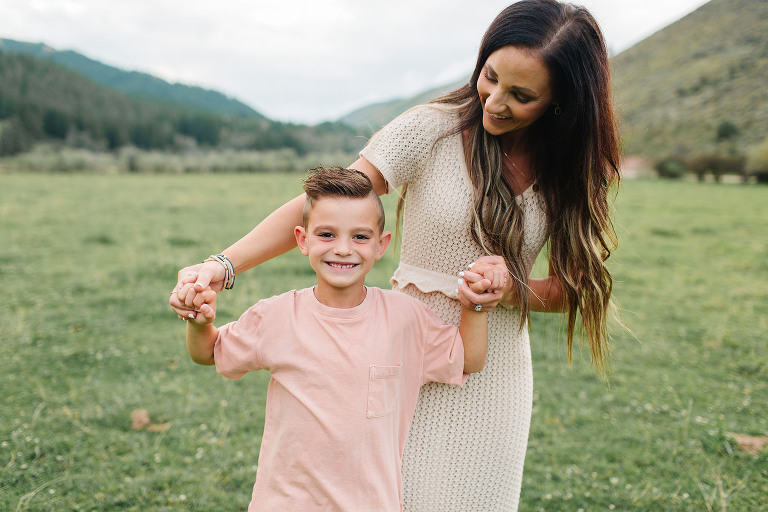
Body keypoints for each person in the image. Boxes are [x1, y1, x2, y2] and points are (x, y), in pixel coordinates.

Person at [170, 1, 621, 509]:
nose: (494, 102)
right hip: (393, 355)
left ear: (560, 102)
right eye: (490, 77)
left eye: (521, 95)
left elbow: (572, 290)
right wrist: (223, 264)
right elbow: (325, 204)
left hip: (493, 371)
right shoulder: (431, 129)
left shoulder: (571, 169)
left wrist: (506, 289)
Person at [179, 166, 495, 511]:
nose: (343, 249)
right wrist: (199, 322)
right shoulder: (275, 316)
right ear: (303, 240)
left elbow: (469, 358)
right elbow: (209, 352)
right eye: (327, 235)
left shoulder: (406, 319)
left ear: (381, 245)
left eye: (360, 237)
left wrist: (474, 305)